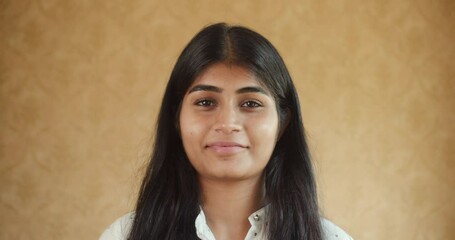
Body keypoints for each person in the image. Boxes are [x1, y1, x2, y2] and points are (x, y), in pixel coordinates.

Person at [99, 23, 353, 240]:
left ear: (283, 123)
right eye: (206, 102)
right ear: (176, 117)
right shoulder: (124, 235)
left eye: (251, 104)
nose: (228, 123)